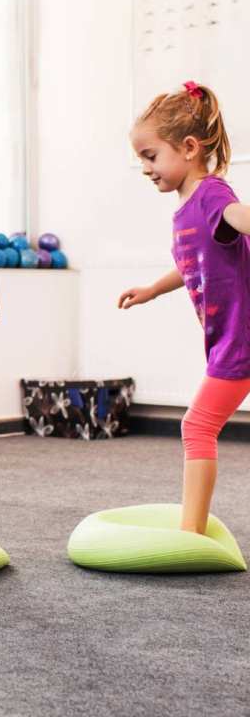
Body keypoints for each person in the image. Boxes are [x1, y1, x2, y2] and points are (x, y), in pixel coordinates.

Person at [120, 81, 250, 534]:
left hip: (240, 340)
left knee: (196, 427)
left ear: (190, 148)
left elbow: (240, 219)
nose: (145, 168)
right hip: (227, 339)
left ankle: (190, 531)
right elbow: (192, 264)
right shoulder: (186, 207)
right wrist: (153, 289)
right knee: (201, 426)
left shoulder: (212, 194)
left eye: (151, 156)